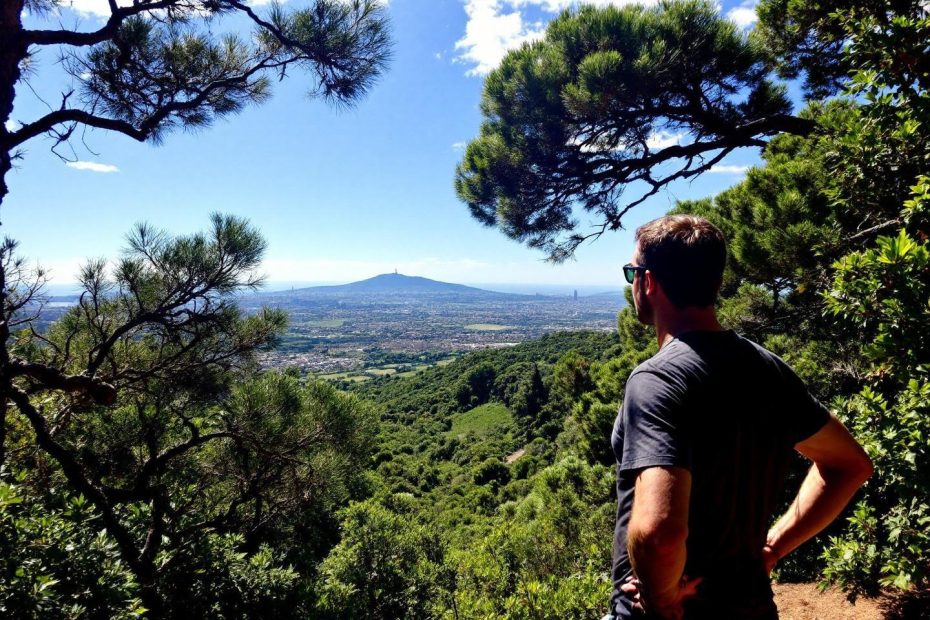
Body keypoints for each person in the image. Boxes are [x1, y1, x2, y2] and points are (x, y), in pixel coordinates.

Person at [605, 215, 873, 620]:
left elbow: (659, 533)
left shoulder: (656, 380)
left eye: (631, 272)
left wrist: (661, 602)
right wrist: (773, 547)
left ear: (648, 281)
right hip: (750, 606)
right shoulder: (767, 368)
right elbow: (848, 464)